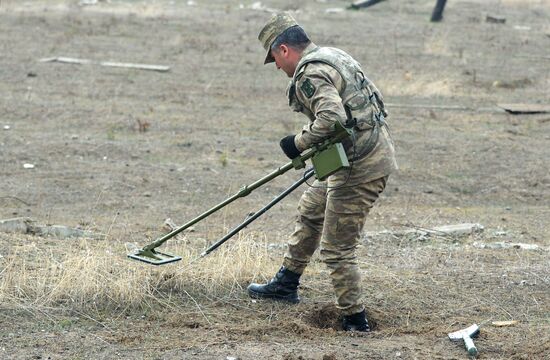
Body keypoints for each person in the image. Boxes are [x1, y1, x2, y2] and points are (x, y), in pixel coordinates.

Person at [247, 13, 398, 332]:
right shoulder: (333, 55)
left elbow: (330, 117)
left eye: (274, 58)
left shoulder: (310, 72)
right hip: (358, 153)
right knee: (312, 210)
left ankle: (355, 320)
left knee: (337, 246)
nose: (277, 67)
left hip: (360, 165)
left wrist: (298, 142)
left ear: (284, 49)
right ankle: (285, 283)